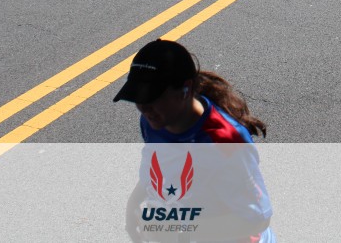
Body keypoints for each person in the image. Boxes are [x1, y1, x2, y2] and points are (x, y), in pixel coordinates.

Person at [115, 39, 275, 243]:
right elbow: (162, 168)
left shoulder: (226, 143)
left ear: (186, 89)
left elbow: (258, 220)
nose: (145, 108)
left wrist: (178, 231)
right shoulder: (154, 120)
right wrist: (133, 205)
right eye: (138, 98)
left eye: (154, 97)